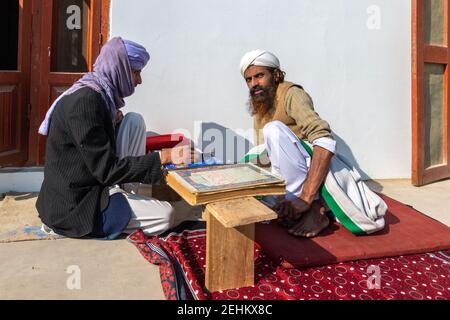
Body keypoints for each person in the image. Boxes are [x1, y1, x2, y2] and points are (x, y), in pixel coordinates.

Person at [36, 37, 198, 240]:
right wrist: (163, 157)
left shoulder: (99, 95)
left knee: (133, 121)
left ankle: (128, 195)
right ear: (119, 68)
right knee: (167, 216)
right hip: (77, 205)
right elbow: (106, 170)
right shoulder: (86, 102)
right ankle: (124, 205)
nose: (139, 80)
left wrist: (111, 121)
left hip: (96, 181)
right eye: (136, 72)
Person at [240, 50, 387, 238]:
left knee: (273, 130)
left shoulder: (292, 94)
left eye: (259, 76)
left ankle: (311, 208)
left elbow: (324, 139)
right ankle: (289, 204)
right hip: (286, 171)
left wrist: (305, 197)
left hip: (310, 165)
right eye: (249, 80)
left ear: (275, 74)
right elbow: (266, 153)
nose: (254, 84)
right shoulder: (260, 103)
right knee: (249, 166)